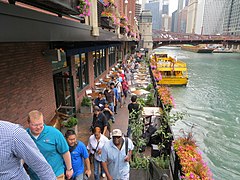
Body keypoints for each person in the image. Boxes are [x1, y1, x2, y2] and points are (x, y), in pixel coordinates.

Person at [27, 110, 73, 180]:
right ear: (28, 123)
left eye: (40, 124)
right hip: (35, 176)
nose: (38, 127)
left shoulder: (54, 133)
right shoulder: (24, 136)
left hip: (55, 173)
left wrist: (69, 169)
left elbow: (65, 152)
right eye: (35, 125)